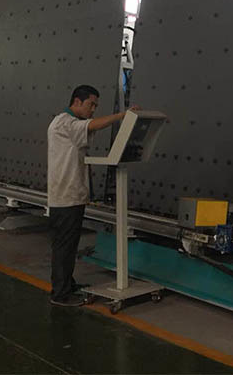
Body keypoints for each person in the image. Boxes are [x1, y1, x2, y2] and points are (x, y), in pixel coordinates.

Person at [47, 84, 137, 306]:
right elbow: (93, 125)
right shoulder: (64, 122)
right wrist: (123, 116)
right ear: (77, 101)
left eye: (96, 105)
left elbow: (89, 127)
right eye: (91, 104)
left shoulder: (71, 123)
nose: (93, 109)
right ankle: (60, 293)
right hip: (65, 197)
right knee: (64, 246)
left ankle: (66, 284)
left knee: (69, 245)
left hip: (72, 195)